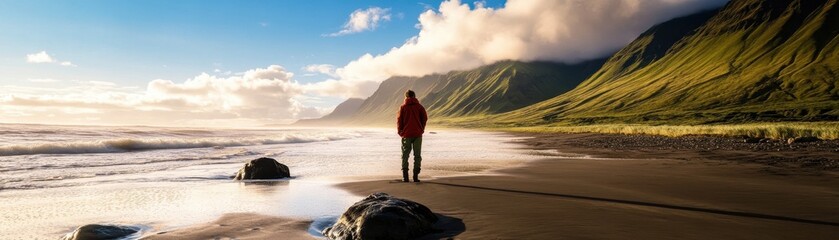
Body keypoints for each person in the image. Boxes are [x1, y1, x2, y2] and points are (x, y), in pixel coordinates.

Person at [397, 89, 428, 182]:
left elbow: (399, 120)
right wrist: (421, 128)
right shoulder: (420, 107)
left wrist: (400, 132)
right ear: (414, 96)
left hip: (406, 134)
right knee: (417, 155)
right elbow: (425, 118)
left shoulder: (403, 107)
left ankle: (405, 177)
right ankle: (415, 176)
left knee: (405, 155)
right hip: (417, 134)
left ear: (406, 97)